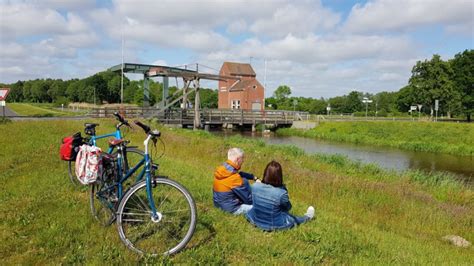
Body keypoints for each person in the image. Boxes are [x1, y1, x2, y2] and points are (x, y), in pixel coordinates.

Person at [245, 160, 314, 231]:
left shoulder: (255, 186)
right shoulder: (281, 193)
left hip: (255, 219)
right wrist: (284, 190)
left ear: (265, 173)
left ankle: (306, 217)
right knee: (292, 219)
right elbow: (287, 208)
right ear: (279, 176)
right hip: (272, 224)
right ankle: (307, 217)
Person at [213, 148, 258, 215]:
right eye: (242, 158)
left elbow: (240, 174)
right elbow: (249, 200)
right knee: (260, 209)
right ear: (237, 159)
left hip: (218, 204)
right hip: (231, 209)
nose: (243, 161)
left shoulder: (223, 169)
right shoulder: (235, 178)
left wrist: (253, 177)